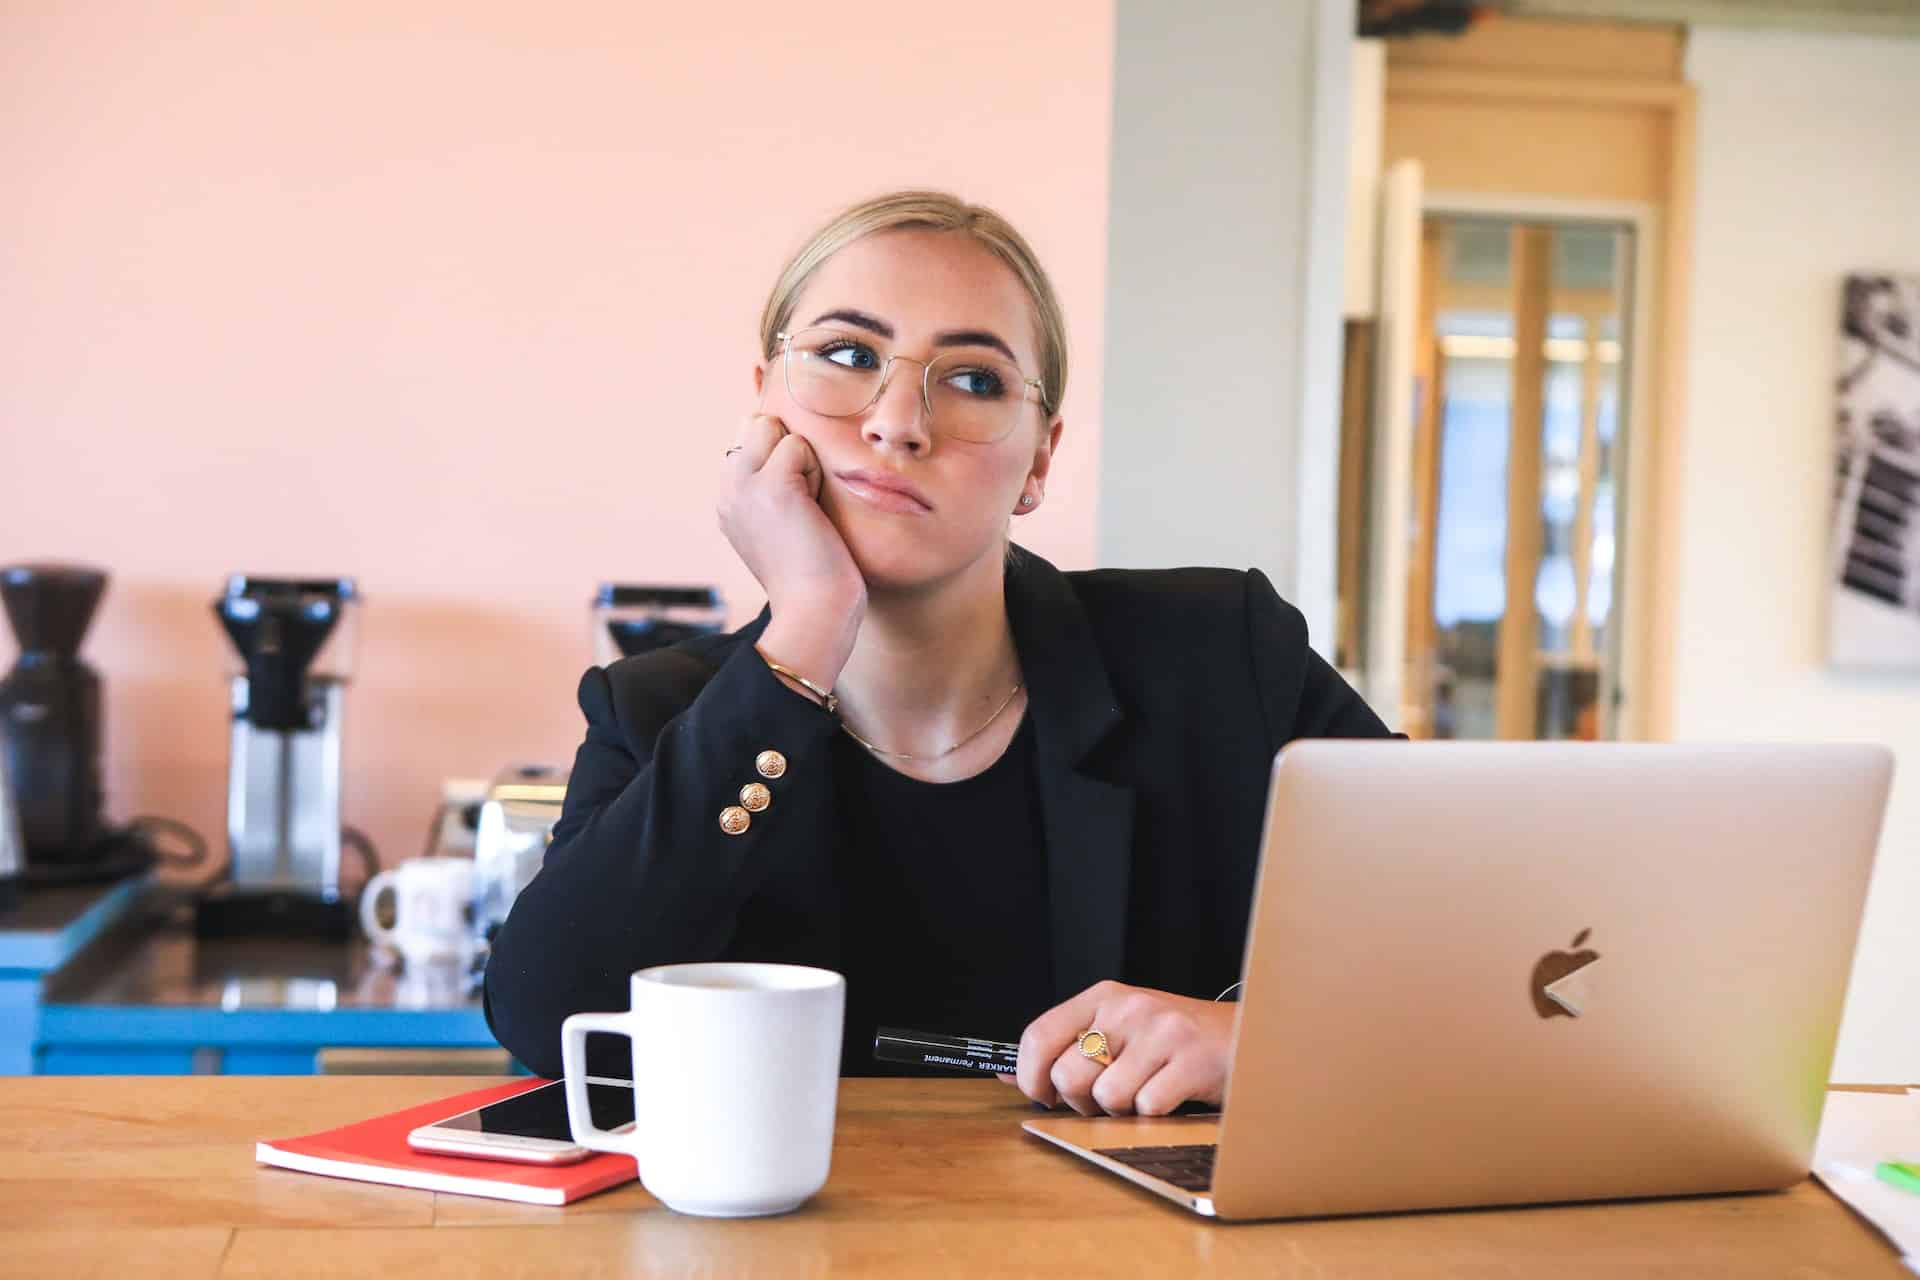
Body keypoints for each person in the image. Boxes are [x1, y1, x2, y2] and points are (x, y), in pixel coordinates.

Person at [484, 190, 1395, 1118]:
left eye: (974, 380)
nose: (897, 421)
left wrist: (1265, 1040)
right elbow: (550, 1021)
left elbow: (1493, 945)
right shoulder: (656, 710)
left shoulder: (1221, 655)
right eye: (848, 357)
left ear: (1040, 459)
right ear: (762, 403)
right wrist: (805, 629)